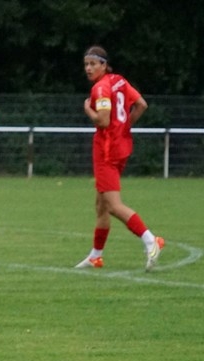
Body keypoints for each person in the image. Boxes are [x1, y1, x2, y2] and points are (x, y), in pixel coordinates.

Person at [75, 46, 164, 271]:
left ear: (104, 65)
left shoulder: (101, 88)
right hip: (121, 147)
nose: (88, 68)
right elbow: (141, 104)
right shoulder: (119, 81)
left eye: (93, 64)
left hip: (107, 152)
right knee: (101, 205)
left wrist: (87, 110)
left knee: (113, 206)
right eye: (86, 64)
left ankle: (151, 240)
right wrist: (124, 128)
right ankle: (96, 256)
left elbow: (103, 121)